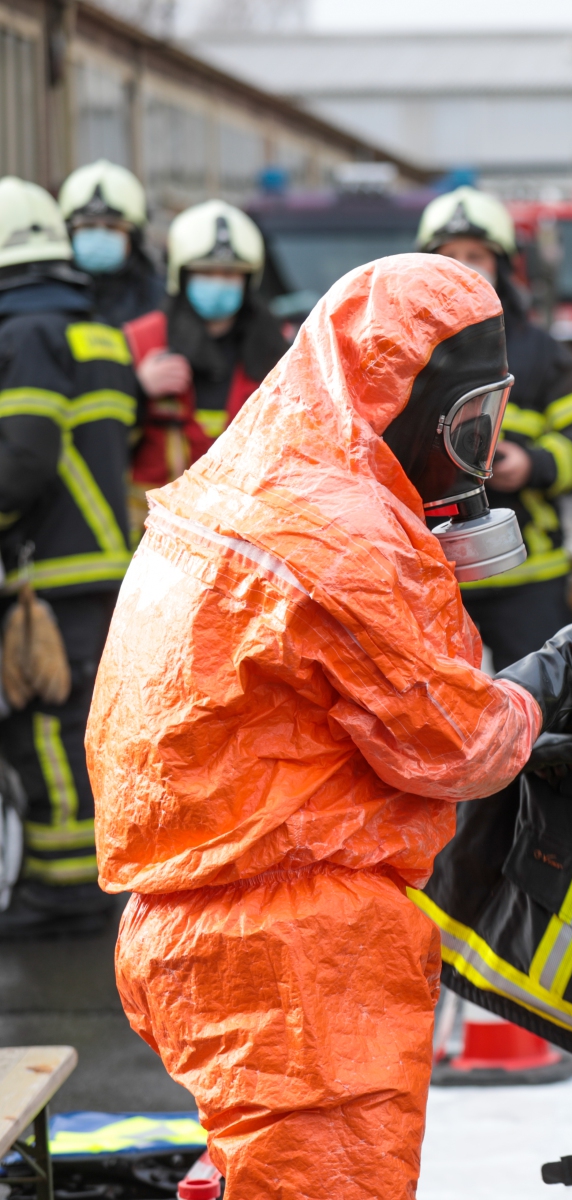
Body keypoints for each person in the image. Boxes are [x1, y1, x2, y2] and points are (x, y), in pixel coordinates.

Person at [90, 254, 572, 1196]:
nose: (471, 455)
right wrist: (562, 670)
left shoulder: (252, 480)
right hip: (299, 953)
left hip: (201, 924)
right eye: (465, 423)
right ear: (400, 396)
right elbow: (458, 746)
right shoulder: (347, 538)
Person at [0, 178, 138, 940]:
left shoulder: (25, 334)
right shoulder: (96, 331)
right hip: (95, 567)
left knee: (46, 731)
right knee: (79, 728)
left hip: (50, 572)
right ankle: (83, 882)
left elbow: (21, 458)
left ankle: (63, 893)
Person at [416, 185, 572, 668]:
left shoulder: (542, 353)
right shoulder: (402, 353)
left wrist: (532, 464)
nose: (461, 267)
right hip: (428, 576)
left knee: (541, 706)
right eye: (447, 256)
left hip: (528, 579)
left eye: (475, 255)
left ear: (501, 265)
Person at [121, 200, 288, 531]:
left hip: (245, 538)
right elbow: (102, 440)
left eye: (229, 274)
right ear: (182, 276)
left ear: (248, 280)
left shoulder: (279, 354)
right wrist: (137, 390)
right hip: (155, 539)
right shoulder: (140, 341)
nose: (218, 282)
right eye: (206, 272)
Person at [57, 160, 162, 329]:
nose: (99, 236)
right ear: (69, 233)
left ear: (134, 236)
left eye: (112, 227)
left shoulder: (159, 298)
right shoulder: (51, 295)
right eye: (88, 226)